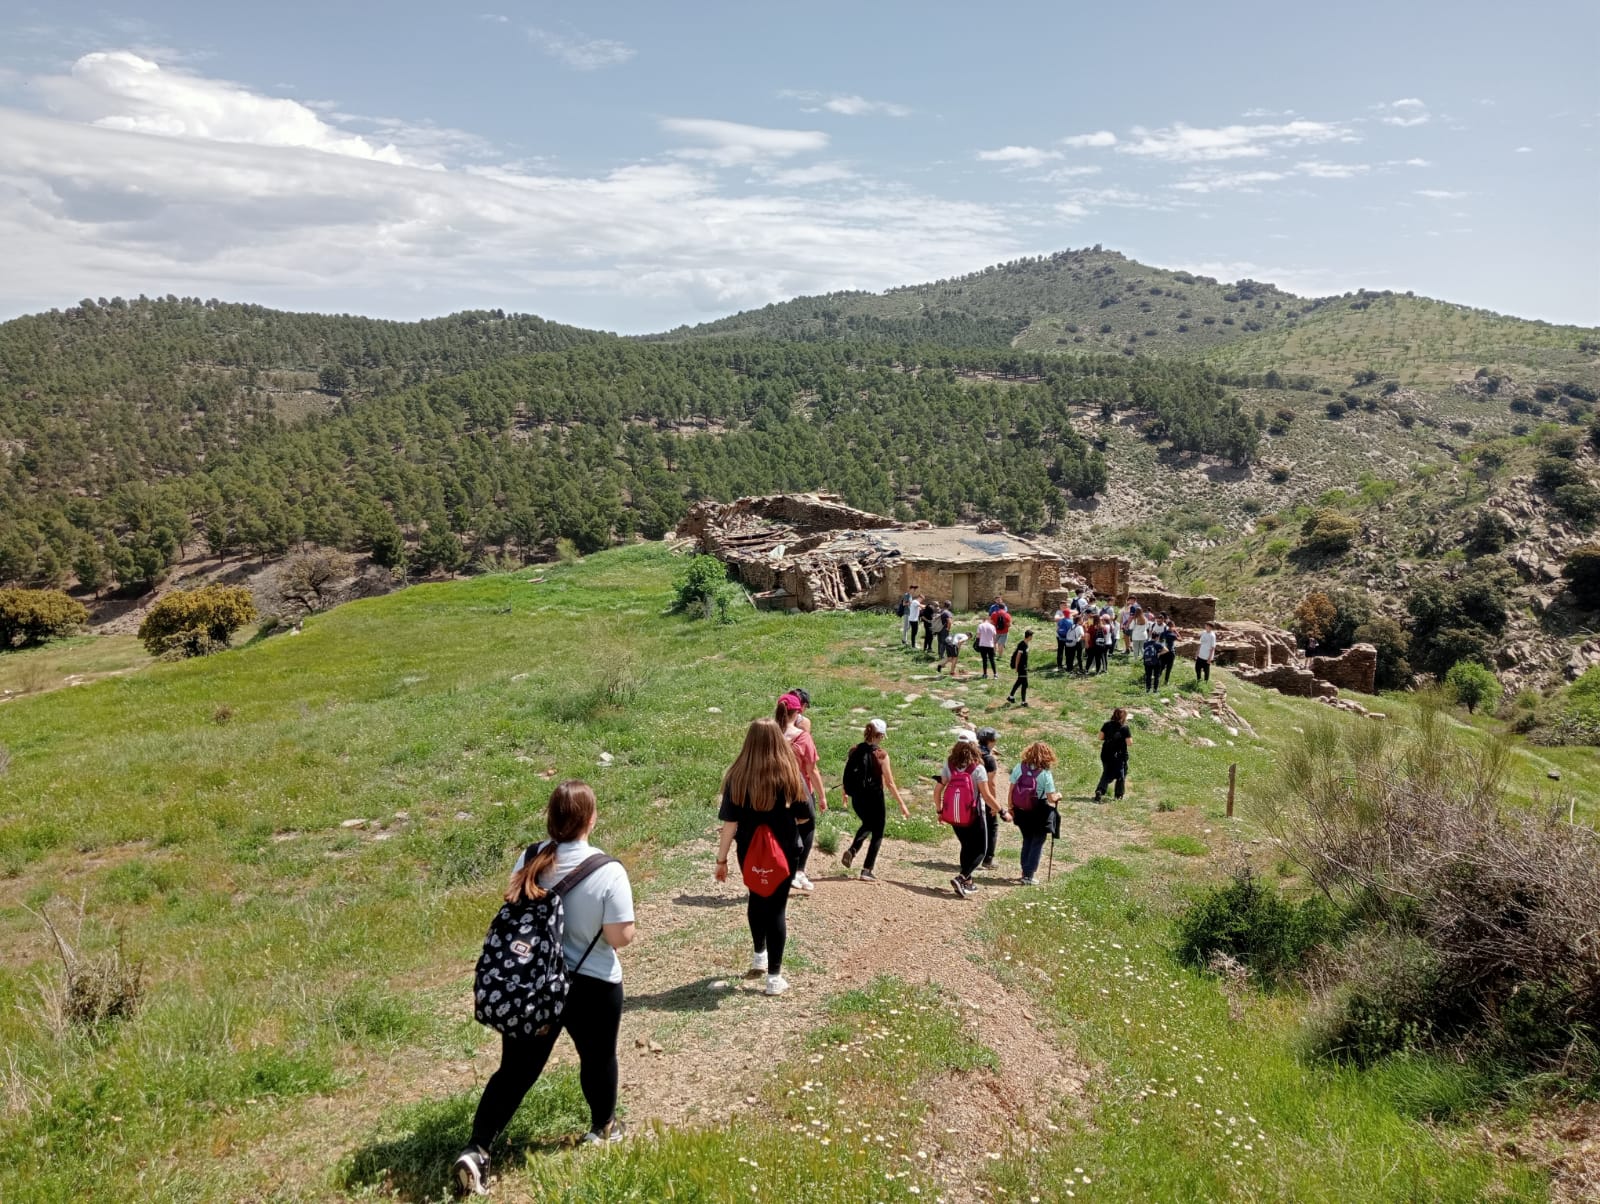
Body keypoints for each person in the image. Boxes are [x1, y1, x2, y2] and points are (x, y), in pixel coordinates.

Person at [455, 780, 637, 1193]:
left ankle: (477, 1148)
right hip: (592, 984)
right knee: (597, 1058)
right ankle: (603, 1128)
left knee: (515, 1072)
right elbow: (620, 936)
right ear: (591, 819)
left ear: (551, 818)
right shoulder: (609, 871)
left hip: (533, 986)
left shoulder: (531, 857)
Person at [716, 718, 807, 995]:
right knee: (777, 909)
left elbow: (729, 824)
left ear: (749, 742)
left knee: (756, 898)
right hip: (785, 851)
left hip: (750, 851)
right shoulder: (790, 774)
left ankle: (759, 955)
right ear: (779, 741)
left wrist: (721, 860)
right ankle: (774, 979)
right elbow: (805, 816)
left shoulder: (737, 777)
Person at [840, 719, 909, 881]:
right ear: (881, 735)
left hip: (857, 797)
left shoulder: (854, 750)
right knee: (877, 831)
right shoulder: (881, 755)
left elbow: (848, 773)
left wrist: (845, 793)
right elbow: (890, 783)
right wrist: (902, 804)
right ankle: (867, 870)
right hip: (875, 798)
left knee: (868, 824)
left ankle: (853, 850)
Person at [776, 693, 827, 894]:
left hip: (773, 789)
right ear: (797, 712)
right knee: (807, 825)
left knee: (783, 829)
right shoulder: (802, 737)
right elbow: (812, 770)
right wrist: (822, 796)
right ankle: (798, 871)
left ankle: (783, 870)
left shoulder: (770, 733)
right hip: (799, 790)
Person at [936, 737, 991, 898]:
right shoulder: (978, 768)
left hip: (954, 814)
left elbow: (937, 790)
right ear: (974, 746)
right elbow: (986, 795)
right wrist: (1001, 810)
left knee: (966, 846)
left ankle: (967, 883)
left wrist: (940, 811)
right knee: (981, 849)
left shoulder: (949, 765)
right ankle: (961, 878)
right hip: (974, 814)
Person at [1009, 742, 1062, 885]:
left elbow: (1011, 788)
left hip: (1021, 810)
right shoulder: (1045, 773)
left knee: (1027, 839)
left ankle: (1024, 870)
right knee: (1037, 842)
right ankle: (1028, 875)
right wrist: (1059, 796)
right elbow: (1051, 798)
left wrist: (1010, 807)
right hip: (1039, 811)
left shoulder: (1019, 767)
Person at [977, 726, 1004, 870]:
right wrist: (994, 804)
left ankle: (973, 856)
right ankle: (988, 860)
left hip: (971, 796)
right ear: (990, 741)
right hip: (985, 797)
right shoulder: (989, 759)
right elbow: (991, 783)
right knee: (992, 827)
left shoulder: (972, 754)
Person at [1094, 707, 1132, 802]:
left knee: (1107, 772)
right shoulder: (1124, 728)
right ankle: (1118, 795)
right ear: (1124, 717)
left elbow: (1100, 737)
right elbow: (1129, 743)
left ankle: (1100, 790)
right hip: (1119, 755)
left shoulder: (1107, 724)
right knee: (1121, 774)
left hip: (1106, 753)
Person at [1005, 629, 1033, 706]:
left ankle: (1011, 697)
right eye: (1031, 636)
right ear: (1029, 636)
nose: (1032, 638)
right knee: (1024, 684)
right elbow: (1018, 657)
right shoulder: (1022, 644)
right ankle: (1023, 702)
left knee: (1019, 682)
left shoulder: (1026, 644)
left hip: (1024, 666)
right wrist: (1016, 667)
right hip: (1021, 667)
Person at [975, 611, 999, 679]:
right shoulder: (992, 626)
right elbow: (994, 637)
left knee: (984, 660)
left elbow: (978, 636)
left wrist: (977, 643)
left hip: (982, 644)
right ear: (989, 619)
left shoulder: (980, 625)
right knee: (992, 660)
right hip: (990, 645)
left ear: (983, 619)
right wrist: (995, 646)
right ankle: (995, 674)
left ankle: (985, 674)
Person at [1158, 618, 1179, 686]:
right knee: (1169, 668)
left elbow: (1160, 642)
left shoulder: (1162, 633)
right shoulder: (1173, 635)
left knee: (1161, 667)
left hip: (1163, 651)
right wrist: (1176, 631)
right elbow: (1180, 639)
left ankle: (1157, 679)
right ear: (1173, 626)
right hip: (1170, 652)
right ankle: (1166, 681)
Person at [1055, 606, 1074, 672]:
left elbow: (1057, 630)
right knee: (1068, 652)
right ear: (1069, 614)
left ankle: (1059, 665)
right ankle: (1067, 665)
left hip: (1060, 638)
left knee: (1060, 651)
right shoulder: (1071, 621)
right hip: (1067, 639)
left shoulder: (1060, 620)